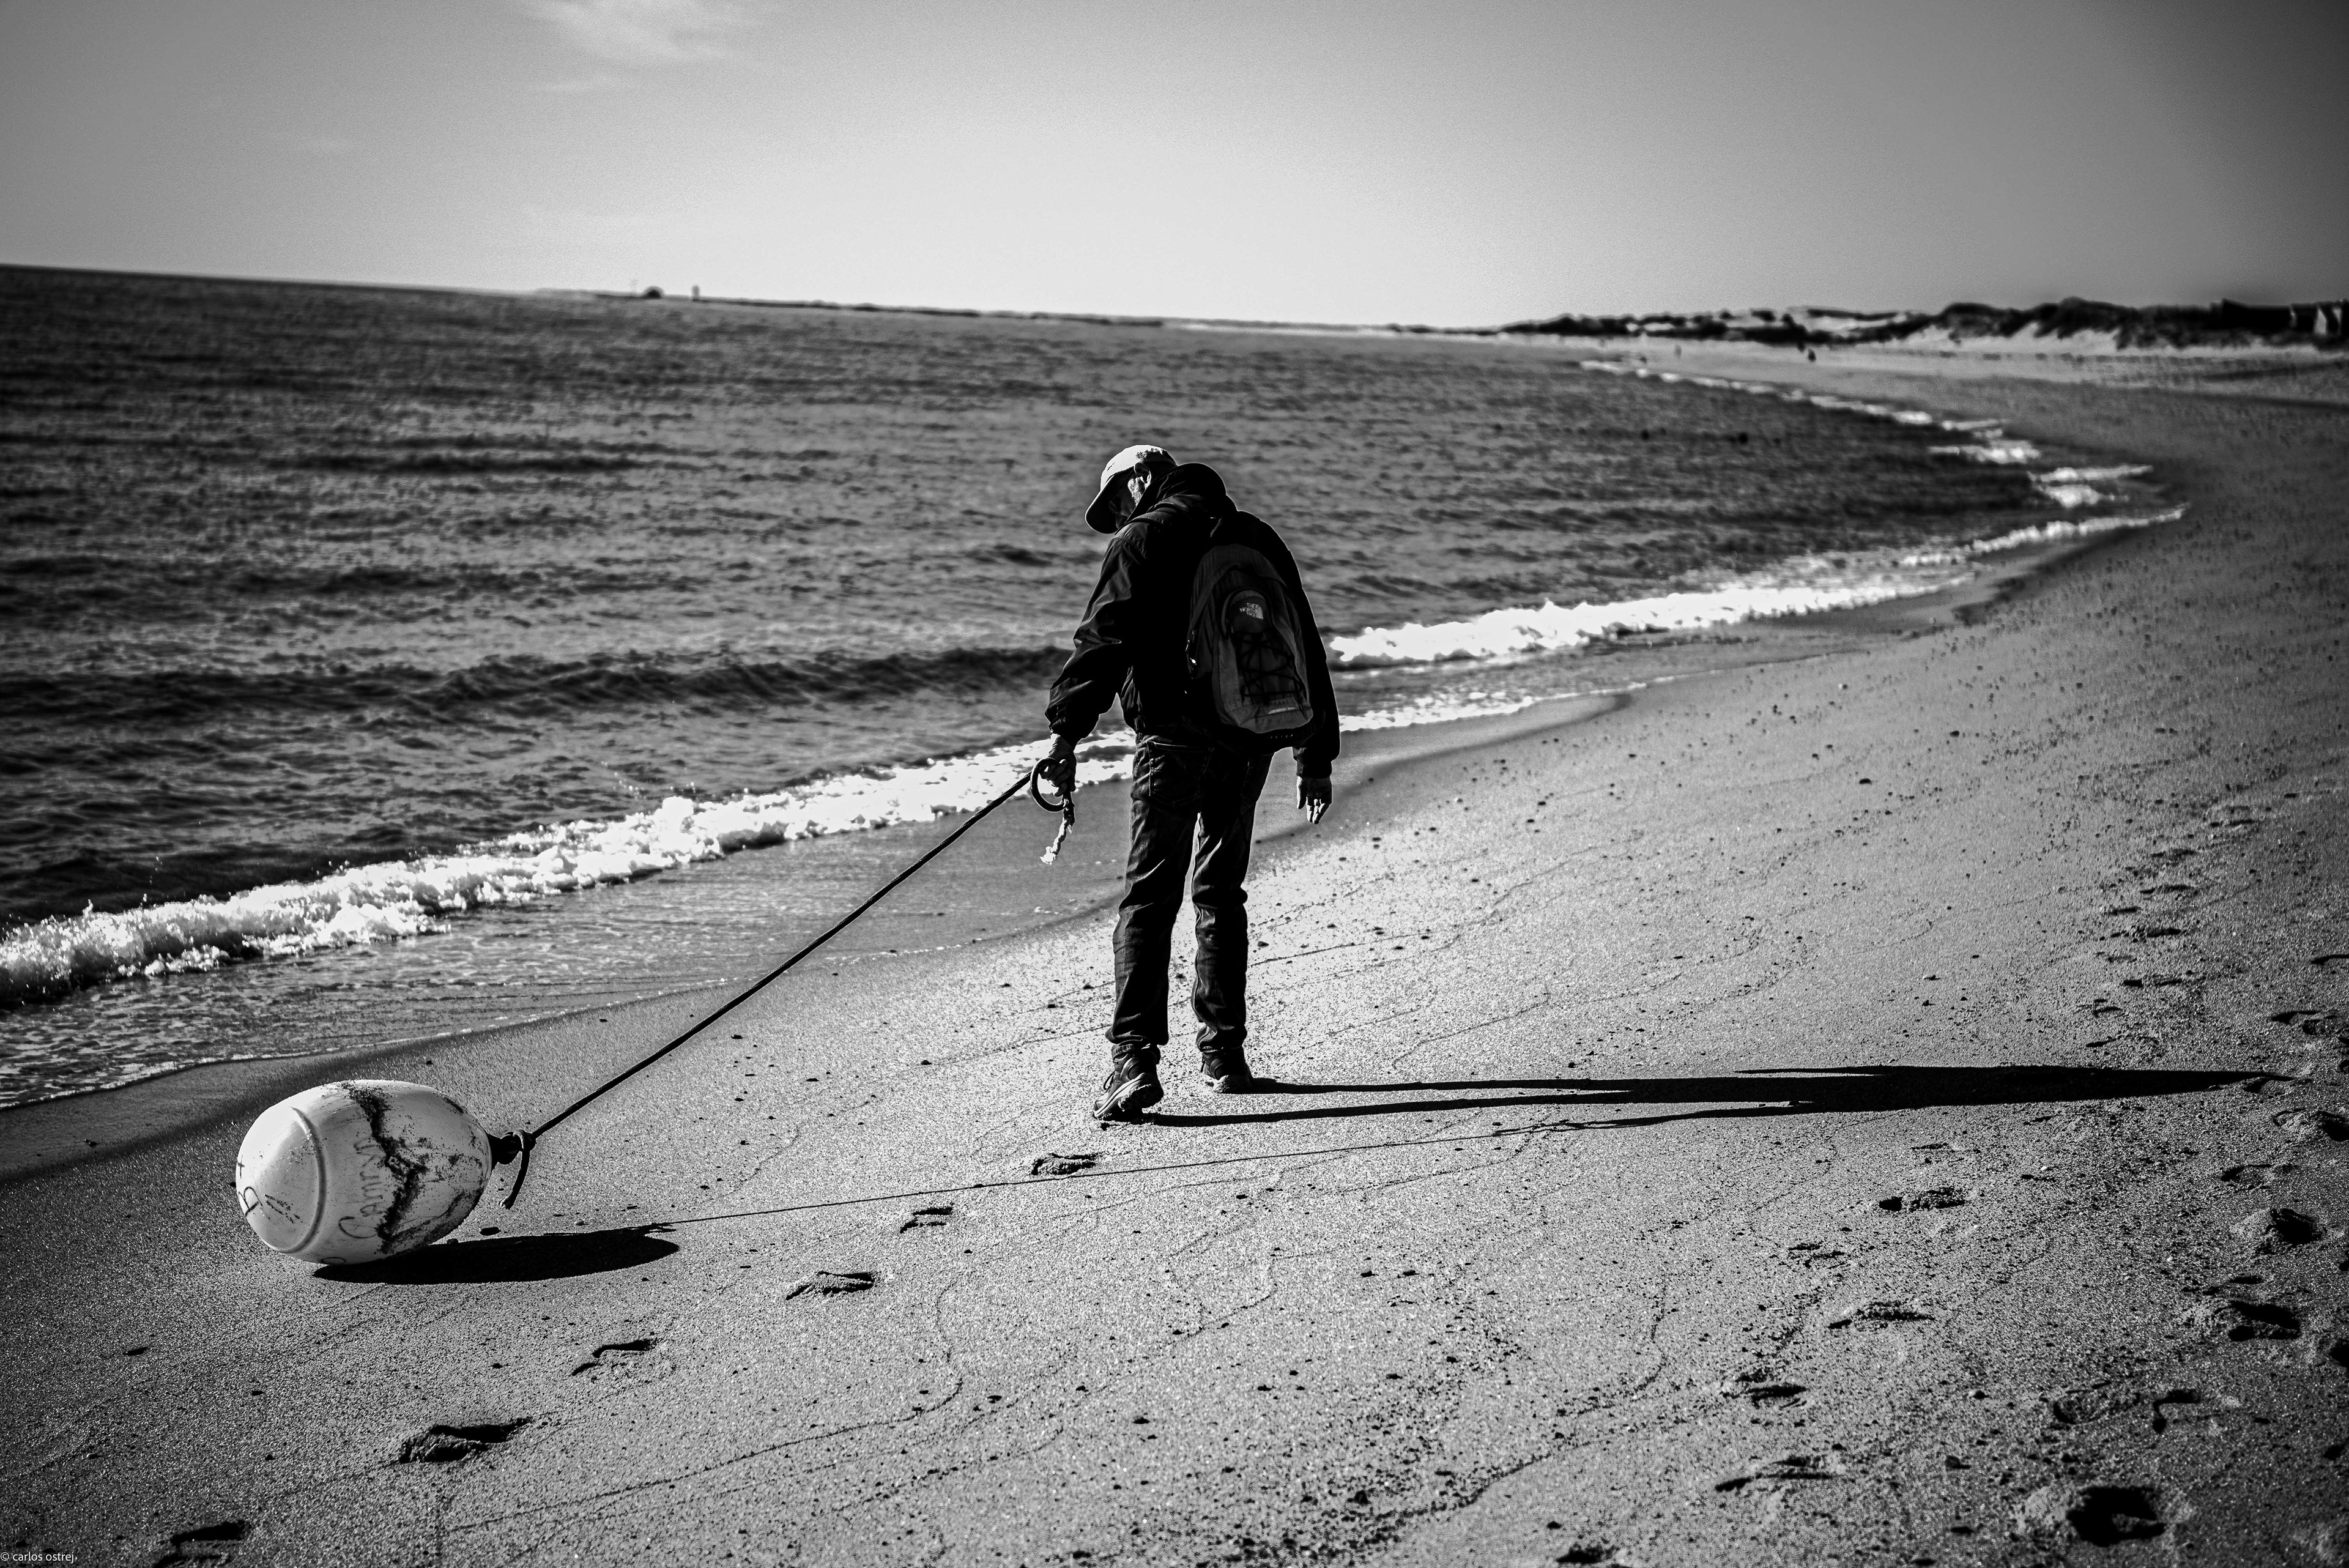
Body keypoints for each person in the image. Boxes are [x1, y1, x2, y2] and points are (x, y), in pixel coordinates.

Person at [1038, 444, 1340, 1121]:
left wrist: (1064, 734)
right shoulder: (1255, 534)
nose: (1116, 515)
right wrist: (1315, 750)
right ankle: (1225, 1055)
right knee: (1219, 890)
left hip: (1171, 741)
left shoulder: (1145, 535)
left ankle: (1133, 1062)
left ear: (1141, 480)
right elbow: (1302, 641)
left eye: (1115, 500)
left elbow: (1102, 638)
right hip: (1248, 736)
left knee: (1148, 899)